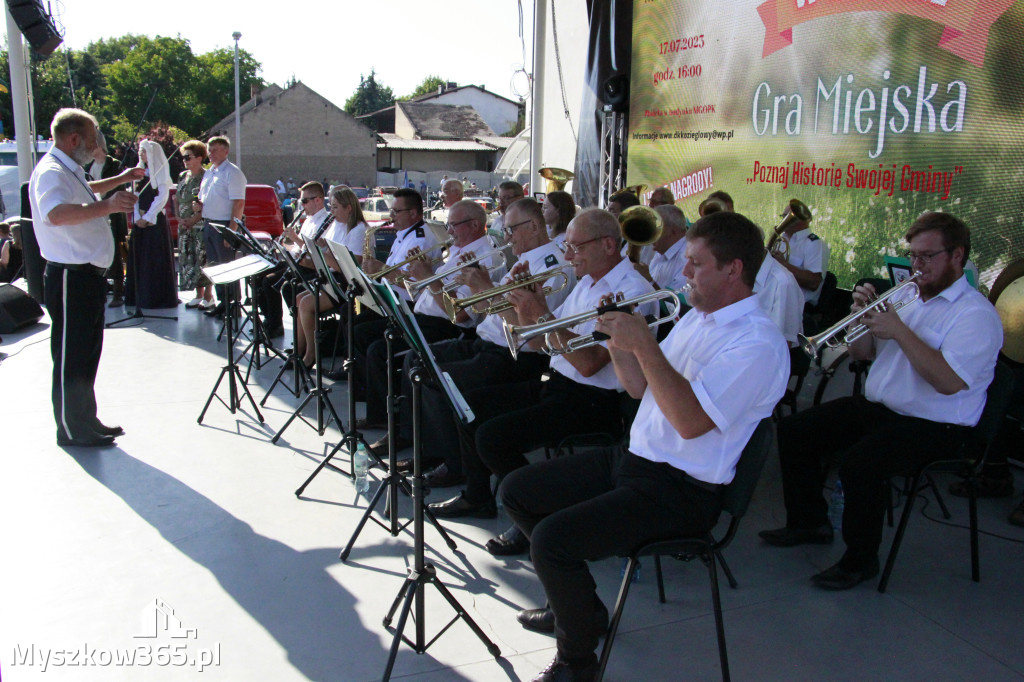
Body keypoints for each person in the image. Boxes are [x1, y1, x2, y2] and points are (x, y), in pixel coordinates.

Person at [501, 210, 789, 681]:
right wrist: (617, 336)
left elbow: (691, 422)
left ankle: (577, 664)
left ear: (734, 270)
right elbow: (637, 387)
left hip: (682, 490)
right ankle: (579, 608)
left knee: (553, 542)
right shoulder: (699, 317)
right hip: (637, 460)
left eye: (695, 264)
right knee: (518, 491)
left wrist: (646, 345)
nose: (683, 273)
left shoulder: (757, 343)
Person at [760, 211, 1003, 590]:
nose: (916, 266)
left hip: (938, 423)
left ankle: (860, 560)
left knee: (860, 465)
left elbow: (948, 382)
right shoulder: (909, 299)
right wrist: (860, 319)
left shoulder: (976, 315)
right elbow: (862, 355)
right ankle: (810, 523)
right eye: (913, 256)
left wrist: (899, 331)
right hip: (883, 409)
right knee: (794, 430)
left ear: (957, 256)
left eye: (927, 257)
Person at [430, 208, 656, 558]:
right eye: (567, 245)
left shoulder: (631, 290)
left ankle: (533, 516)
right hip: (560, 387)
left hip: (595, 403)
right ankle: (482, 496)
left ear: (609, 245)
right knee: (470, 406)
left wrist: (542, 315)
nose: (567, 256)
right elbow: (536, 342)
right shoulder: (587, 282)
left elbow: (589, 365)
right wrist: (522, 307)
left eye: (576, 247)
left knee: (492, 437)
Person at [373, 198, 573, 487]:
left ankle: (456, 464)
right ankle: (433, 449)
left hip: (515, 355)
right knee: (415, 360)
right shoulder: (525, 259)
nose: (506, 237)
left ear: (533, 226)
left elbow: (529, 328)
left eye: (511, 229)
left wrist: (485, 288)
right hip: (487, 342)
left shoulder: (553, 263)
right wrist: (480, 289)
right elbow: (481, 311)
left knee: (437, 377)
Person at [30, 108, 144, 446]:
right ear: (74, 139)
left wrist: (121, 180)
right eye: (92, 142)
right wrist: (108, 207)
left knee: (87, 351)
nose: (97, 149)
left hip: (87, 277)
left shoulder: (69, 169)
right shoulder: (51, 171)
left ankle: (86, 418)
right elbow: (57, 213)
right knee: (70, 355)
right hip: (71, 277)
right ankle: (70, 428)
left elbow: (86, 191)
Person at [356, 198, 496, 433]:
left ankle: (400, 428)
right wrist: (419, 273)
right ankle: (382, 412)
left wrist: (428, 277)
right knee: (365, 333)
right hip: (423, 316)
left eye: (453, 225)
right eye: (448, 225)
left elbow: (460, 315)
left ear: (474, 225)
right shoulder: (458, 250)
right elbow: (426, 287)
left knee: (380, 350)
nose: (449, 231)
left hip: (448, 327)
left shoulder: (484, 257)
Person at [292, 185, 367, 368]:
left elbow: (352, 266)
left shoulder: (358, 229)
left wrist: (321, 253)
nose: (331, 212)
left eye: (335, 207)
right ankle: (299, 350)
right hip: (333, 277)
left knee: (307, 304)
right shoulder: (337, 225)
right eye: (331, 206)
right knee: (299, 298)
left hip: (348, 283)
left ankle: (311, 353)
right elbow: (330, 255)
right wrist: (319, 248)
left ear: (348, 207)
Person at [194, 136, 246, 317]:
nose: (211, 153)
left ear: (226, 151)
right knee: (216, 266)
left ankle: (233, 305)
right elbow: (204, 196)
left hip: (224, 223)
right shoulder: (210, 172)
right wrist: (199, 205)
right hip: (209, 222)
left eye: (215, 149)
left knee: (227, 266)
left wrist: (231, 232)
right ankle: (223, 302)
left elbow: (238, 203)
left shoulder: (232, 173)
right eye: (209, 149)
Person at [124, 140, 177, 309]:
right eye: (140, 151)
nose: (141, 154)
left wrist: (148, 217)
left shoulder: (159, 174)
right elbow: (136, 195)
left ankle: (155, 298)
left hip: (154, 223)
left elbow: (161, 198)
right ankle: (137, 296)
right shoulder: (141, 174)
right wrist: (137, 216)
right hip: (140, 223)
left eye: (144, 151)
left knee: (153, 260)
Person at [86, 131, 129, 307]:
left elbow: (118, 188)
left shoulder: (114, 165)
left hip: (112, 215)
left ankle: (118, 293)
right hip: (94, 215)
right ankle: (101, 290)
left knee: (115, 255)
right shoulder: (87, 167)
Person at [176, 140, 215, 311]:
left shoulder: (206, 177)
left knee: (203, 260)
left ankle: (208, 296)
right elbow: (176, 198)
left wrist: (194, 219)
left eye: (188, 157)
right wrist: (179, 218)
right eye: (183, 157)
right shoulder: (182, 176)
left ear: (199, 158)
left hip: (199, 225)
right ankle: (197, 295)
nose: (185, 160)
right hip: (184, 226)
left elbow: (208, 202)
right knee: (189, 260)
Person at [771, 199, 830, 305]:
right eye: (783, 217)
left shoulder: (814, 244)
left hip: (801, 307)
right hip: (778, 300)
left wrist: (783, 264)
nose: (783, 221)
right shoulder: (781, 240)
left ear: (800, 220)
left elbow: (814, 282)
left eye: (786, 217)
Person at [633, 204, 688, 292]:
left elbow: (677, 303)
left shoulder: (687, 257)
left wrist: (648, 280)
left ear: (673, 231)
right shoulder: (661, 252)